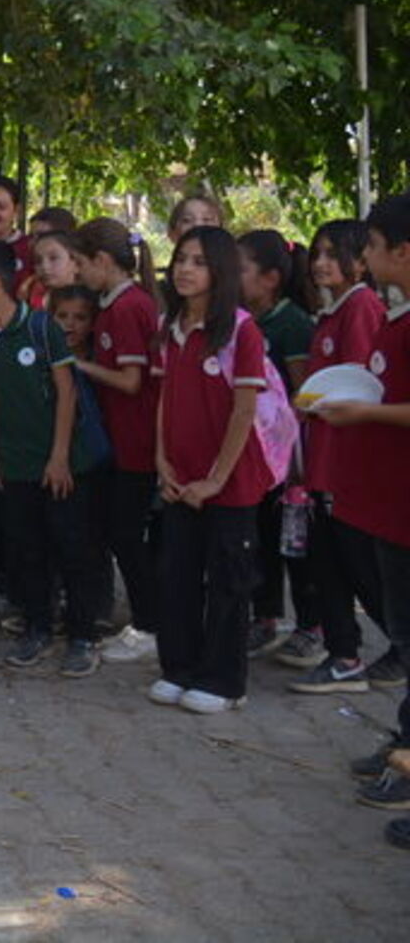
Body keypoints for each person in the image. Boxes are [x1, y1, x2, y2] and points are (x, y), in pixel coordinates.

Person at [0, 239, 106, 677]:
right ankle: (37, 627)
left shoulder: (41, 328)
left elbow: (67, 390)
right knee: (26, 548)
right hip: (14, 461)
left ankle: (82, 635)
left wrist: (59, 456)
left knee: (73, 546)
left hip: (63, 462)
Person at [149, 227, 275, 714]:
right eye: (181, 259)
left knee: (228, 581)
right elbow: (165, 400)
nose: (184, 269)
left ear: (219, 271)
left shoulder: (242, 331)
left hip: (229, 484)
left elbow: (244, 411)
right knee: (177, 573)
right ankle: (179, 667)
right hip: (180, 479)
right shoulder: (172, 327)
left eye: (198, 262)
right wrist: (162, 459)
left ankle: (224, 681)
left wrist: (217, 479)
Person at [316, 194, 410, 833]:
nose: (365, 259)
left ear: (400, 252)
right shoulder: (396, 318)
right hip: (388, 508)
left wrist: (366, 414)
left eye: (371, 247)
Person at [291, 218, 392, 692]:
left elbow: (361, 388)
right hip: (324, 460)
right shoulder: (333, 312)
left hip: (345, 463)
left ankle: (382, 647)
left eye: (334, 254)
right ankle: (345, 654)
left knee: (356, 564)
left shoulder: (362, 308)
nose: (321, 263)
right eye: (317, 254)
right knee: (329, 563)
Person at [70, 217, 162, 664]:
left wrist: (81, 367)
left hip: (138, 442)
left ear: (102, 261)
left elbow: (130, 381)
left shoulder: (128, 308)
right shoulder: (115, 304)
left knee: (128, 535)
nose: (78, 273)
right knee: (120, 533)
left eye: (80, 263)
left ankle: (150, 623)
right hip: (123, 441)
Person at [239, 229, 315, 660]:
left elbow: (304, 394)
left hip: (289, 458)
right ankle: (263, 617)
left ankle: (311, 624)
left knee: (296, 543)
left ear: (270, 278)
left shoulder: (291, 324)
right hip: (252, 456)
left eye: (242, 268)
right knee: (261, 539)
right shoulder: (241, 319)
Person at [27, 229, 78, 311]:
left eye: (53, 258)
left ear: (75, 262)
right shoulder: (32, 300)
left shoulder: (90, 301)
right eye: (38, 261)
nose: (44, 266)